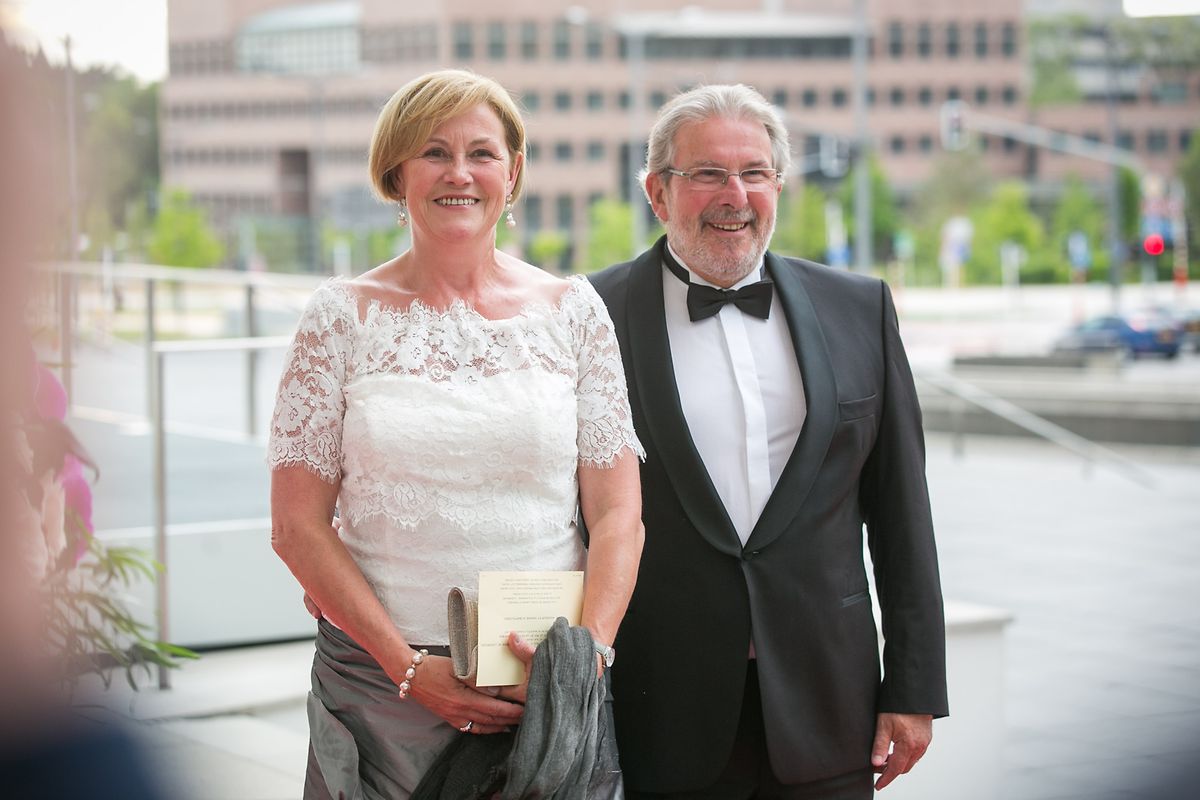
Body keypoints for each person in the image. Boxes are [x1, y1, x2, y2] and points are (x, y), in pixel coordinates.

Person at [268, 69, 644, 799]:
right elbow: (295, 525)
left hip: (542, 685)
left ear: (515, 171)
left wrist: (587, 655)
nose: (460, 174)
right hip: (379, 691)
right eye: (435, 152)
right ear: (396, 172)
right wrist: (408, 669)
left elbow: (618, 513)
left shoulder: (574, 312)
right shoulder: (339, 317)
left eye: (482, 153)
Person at [590, 84, 948, 799]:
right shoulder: (587, 314)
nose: (735, 194)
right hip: (658, 711)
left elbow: (903, 514)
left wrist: (913, 685)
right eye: (708, 175)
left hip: (829, 704)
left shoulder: (861, 306)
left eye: (754, 173)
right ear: (657, 193)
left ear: (778, 185)